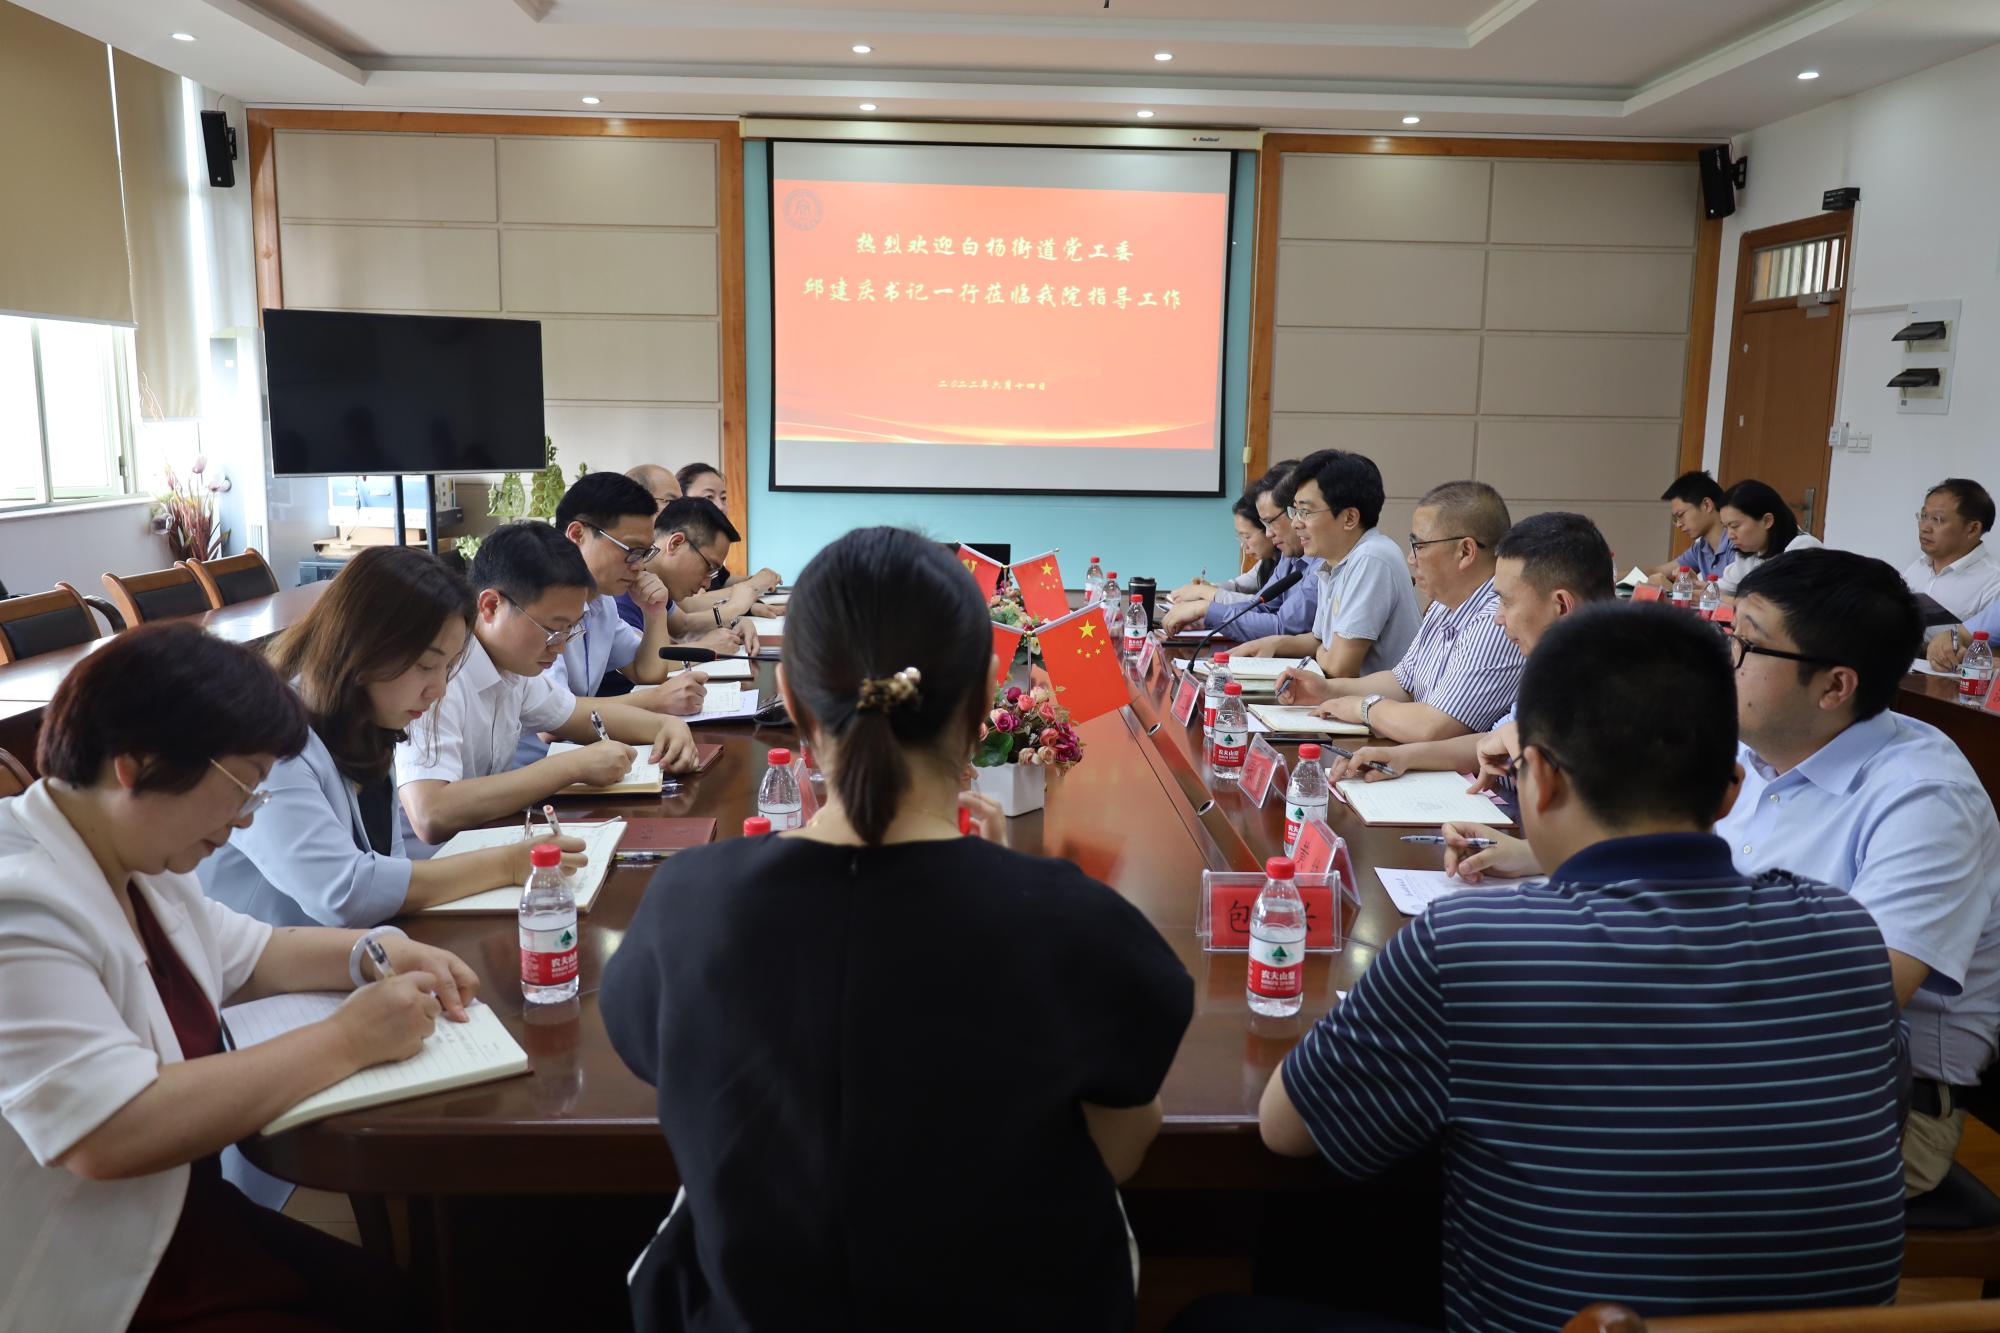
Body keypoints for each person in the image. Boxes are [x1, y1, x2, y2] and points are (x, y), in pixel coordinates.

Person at [1202, 604, 1907, 1332]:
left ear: (1536, 778)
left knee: (1225, 1311)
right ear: (1730, 791)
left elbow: (1286, 1128)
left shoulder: (1468, 944)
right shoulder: (1846, 933)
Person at [601, 526, 1193, 1331]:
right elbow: (1121, 1141)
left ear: (796, 702)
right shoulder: (1069, 922)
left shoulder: (688, 906)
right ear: (987, 699)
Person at [0, 622, 480, 1331]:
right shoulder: (19, 902)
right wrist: (348, 1040)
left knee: (399, 1296)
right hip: (96, 1267)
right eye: (242, 788)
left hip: (184, 1215)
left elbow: (254, 953)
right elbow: (105, 1130)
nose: (246, 821)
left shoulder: (137, 855)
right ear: (138, 764)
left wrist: (376, 951)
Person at [1715, 548, 2000, 1195]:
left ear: (1834, 687)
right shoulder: (1761, 748)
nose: (1724, 662)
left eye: (1746, 646)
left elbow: (1851, 999)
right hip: (1752, 1059)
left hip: (1879, 1105)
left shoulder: (1925, 797)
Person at [198, 546, 587, 927]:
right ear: (361, 648)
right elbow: (344, 892)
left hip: (344, 948)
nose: (439, 690)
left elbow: (389, 865)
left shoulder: (369, 721)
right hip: (268, 963)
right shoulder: (269, 739)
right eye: (426, 666)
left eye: (448, 668)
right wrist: (507, 865)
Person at [395, 521, 700, 848]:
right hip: (437, 866)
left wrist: (664, 725)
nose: (561, 646)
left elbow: (578, 715)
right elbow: (431, 813)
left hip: (489, 845)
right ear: (491, 606)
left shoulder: (512, 667)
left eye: (570, 630)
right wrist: (570, 766)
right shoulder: (440, 676)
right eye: (554, 629)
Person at [1326, 511, 1614, 784]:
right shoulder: (1555, 668)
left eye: (1507, 602)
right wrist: (1403, 757)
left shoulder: (1617, 694)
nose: (1498, 617)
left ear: (1561, 605)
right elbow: (1495, 741)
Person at [1278, 480, 1520, 742]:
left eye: (1420, 546)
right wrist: (1326, 690)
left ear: (1465, 551)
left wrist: (1362, 708)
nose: (1411, 559)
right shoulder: (1443, 605)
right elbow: (1403, 683)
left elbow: (1434, 728)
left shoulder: (1496, 620)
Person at [515, 474, 711, 764]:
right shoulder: (536, 605)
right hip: (536, 761)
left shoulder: (602, 601)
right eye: (631, 551)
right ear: (577, 535)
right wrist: (656, 700)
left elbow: (646, 672)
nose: (639, 565)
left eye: (645, 553)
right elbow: (553, 720)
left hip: (567, 755)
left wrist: (655, 612)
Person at [1234, 450, 1418, 678]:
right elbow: (1319, 640)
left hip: (1374, 699)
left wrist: (1322, 652)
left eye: (1305, 512)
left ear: (1349, 518)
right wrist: (1273, 643)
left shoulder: (1371, 558)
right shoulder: (1332, 561)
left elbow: (1340, 668)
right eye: (1295, 510)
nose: (1296, 523)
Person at [1163, 466, 1317, 640]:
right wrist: (1205, 618)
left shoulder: (1320, 564)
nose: (1268, 534)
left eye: (1270, 522)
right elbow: (1260, 606)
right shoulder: (1289, 558)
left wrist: (1205, 608)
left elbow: (1282, 626)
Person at [1161, 484, 1281, 629]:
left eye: (1247, 536)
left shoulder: (1289, 563)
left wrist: (1205, 593)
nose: (1243, 546)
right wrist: (1208, 588)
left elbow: (1262, 605)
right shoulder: (1267, 563)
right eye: (1240, 537)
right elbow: (1238, 586)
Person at [1906, 478, 2000, 658]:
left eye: (1937, 519)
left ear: (1972, 529)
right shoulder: (1917, 566)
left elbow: (1993, 655)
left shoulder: (1994, 581)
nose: (1925, 527)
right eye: (1923, 516)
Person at [670, 462, 782, 596]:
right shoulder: (680, 545)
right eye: (709, 497)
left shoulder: (711, 542)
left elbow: (722, 580)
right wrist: (753, 585)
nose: (721, 506)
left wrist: (756, 579)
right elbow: (693, 601)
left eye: (723, 498)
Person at [1714, 479, 1822, 600]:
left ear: (1767, 521)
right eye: (1726, 527)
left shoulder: (1804, 548)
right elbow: (1724, 587)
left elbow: (1779, 606)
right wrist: (1701, 589)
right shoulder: (1751, 553)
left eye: (1734, 526)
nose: (1730, 536)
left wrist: (1725, 600)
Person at [1645, 469, 1735, 584]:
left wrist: (1684, 588)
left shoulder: (1737, 544)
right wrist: (1620, 576)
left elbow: (1734, 592)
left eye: (1681, 515)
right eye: (1676, 519)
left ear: (1707, 505)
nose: (1678, 524)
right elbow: (1657, 571)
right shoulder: (1701, 548)